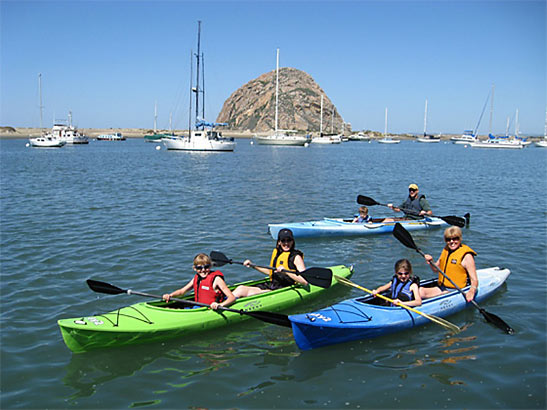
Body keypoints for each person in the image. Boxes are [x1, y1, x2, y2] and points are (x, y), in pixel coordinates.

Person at [232, 228, 308, 298]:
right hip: (273, 285)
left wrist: (287, 272)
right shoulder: (277, 253)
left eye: (289, 240)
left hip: (285, 288)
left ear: (292, 241)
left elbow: (304, 281)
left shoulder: (296, 257)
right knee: (240, 288)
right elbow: (270, 272)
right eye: (283, 240)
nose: (286, 243)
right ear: (279, 242)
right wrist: (253, 265)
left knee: (248, 292)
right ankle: (227, 300)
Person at [421, 226, 478, 302]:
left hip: (455, 290)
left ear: (460, 239)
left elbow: (474, 280)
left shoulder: (467, 256)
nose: (452, 242)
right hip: (441, 287)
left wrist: (472, 291)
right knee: (420, 291)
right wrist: (431, 261)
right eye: (448, 239)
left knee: (443, 294)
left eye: (455, 238)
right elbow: (435, 269)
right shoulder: (446, 250)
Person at [162, 253, 236, 310]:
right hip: (198, 307)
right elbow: (182, 291)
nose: (203, 270)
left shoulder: (217, 279)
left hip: (212, 308)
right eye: (199, 268)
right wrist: (170, 295)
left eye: (206, 267)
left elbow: (232, 298)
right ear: (194, 268)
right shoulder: (196, 278)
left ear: (210, 266)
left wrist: (220, 305)